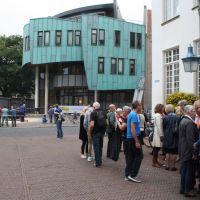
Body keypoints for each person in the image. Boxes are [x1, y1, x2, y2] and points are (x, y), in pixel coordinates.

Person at [179, 105, 197, 197]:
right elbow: (190, 139)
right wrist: (193, 152)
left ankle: (183, 189)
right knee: (189, 171)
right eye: (193, 111)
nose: (195, 112)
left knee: (185, 170)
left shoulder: (183, 120)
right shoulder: (189, 122)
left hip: (183, 149)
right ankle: (187, 190)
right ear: (189, 112)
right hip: (188, 150)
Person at [125, 100, 143, 183]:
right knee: (139, 156)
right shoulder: (134, 115)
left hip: (129, 138)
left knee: (131, 157)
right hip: (133, 138)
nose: (141, 106)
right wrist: (136, 141)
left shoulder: (131, 114)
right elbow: (133, 129)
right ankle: (132, 175)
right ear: (138, 106)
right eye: (140, 105)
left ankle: (127, 174)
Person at [89, 102, 107, 167]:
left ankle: (97, 162)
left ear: (94, 107)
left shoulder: (93, 113)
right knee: (100, 147)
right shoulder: (104, 112)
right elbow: (107, 123)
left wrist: (90, 131)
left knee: (96, 147)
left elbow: (92, 124)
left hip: (95, 132)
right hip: (102, 132)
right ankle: (100, 160)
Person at [163, 104, 179, 171]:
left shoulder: (165, 117)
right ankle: (173, 166)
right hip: (175, 136)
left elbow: (163, 127)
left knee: (168, 151)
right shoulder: (177, 117)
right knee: (174, 152)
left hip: (167, 136)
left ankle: (167, 165)